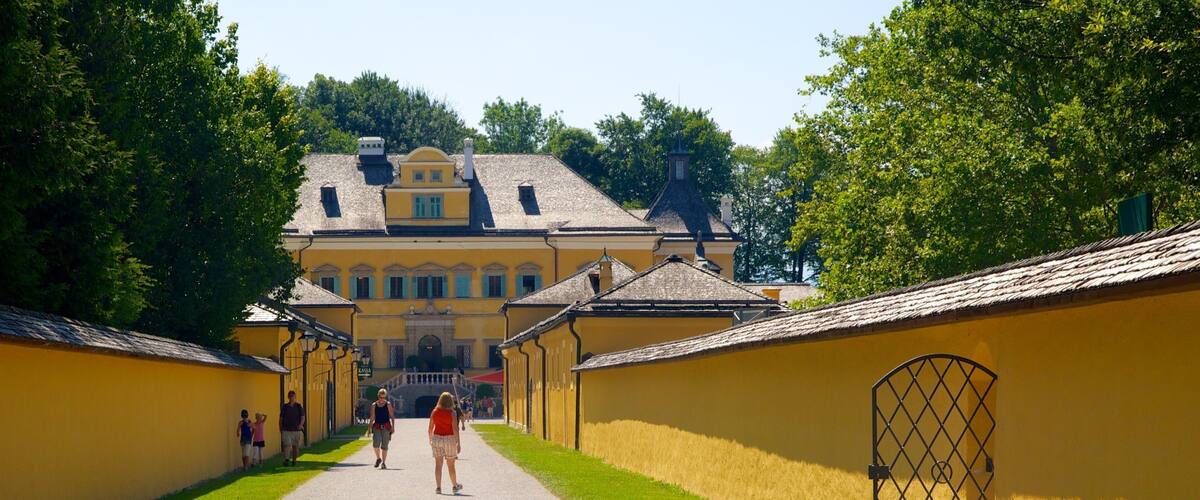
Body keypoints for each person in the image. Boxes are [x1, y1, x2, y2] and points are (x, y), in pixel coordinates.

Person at [428, 392, 462, 495]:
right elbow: (455, 429)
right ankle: (455, 486)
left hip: (437, 438)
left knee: (438, 465)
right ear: (450, 401)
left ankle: (438, 487)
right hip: (449, 439)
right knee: (451, 465)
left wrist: (431, 440)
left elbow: (430, 428)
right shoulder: (452, 413)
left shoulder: (434, 412)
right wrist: (458, 443)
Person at [370, 388, 395, 469]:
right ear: (378, 396)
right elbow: (372, 417)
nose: (382, 399)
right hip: (377, 426)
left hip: (386, 427)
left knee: (385, 446)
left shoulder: (388, 404)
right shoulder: (374, 405)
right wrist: (369, 428)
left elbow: (392, 416)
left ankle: (384, 463)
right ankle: (378, 458)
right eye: (381, 397)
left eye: (384, 397)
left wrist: (393, 427)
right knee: (375, 444)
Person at [280, 390, 305, 466]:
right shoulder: (285, 407)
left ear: (295, 397)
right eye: (290, 396)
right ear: (288, 397)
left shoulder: (298, 406)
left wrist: (301, 425)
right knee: (287, 445)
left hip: (296, 430)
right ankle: (286, 459)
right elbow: (281, 418)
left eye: (293, 396)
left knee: (295, 447)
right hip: (286, 429)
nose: (291, 398)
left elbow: (303, 417)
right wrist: (280, 428)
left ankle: (294, 460)